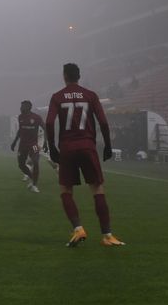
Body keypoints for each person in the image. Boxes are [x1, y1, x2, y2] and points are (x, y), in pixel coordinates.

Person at [45, 63, 124, 247]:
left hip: (67, 148)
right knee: (97, 189)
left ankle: (78, 229)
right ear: (79, 76)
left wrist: (52, 147)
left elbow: (49, 123)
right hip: (88, 145)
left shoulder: (57, 97)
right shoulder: (90, 95)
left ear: (64, 76)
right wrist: (107, 145)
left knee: (66, 190)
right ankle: (107, 236)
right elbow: (103, 122)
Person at [10, 100, 44, 192]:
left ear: (28, 107)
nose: (20, 108)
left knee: (35, 162)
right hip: (23, 145)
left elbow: (45, 129)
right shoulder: (20, 117)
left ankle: (34, 185)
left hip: (33, 144)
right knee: (21, 165)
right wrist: (14, 142)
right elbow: (20, 130)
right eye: (20, 107)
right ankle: (31, 177)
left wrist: (45, 143)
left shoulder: (36, 118)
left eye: (22, 107)